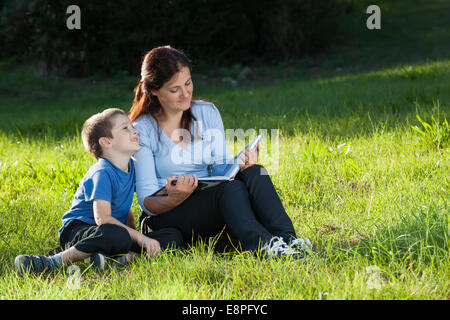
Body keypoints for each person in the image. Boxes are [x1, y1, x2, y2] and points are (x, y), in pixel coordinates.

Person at [130, 46, 312, 259]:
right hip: (168, 212)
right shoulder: (141, 130)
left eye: (188, 83)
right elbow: (147, 203)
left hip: (210, 200)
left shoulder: (205, 113)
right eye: (174, 89)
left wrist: (241, 162)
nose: (185, 93)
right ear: (153, 90)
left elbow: (221, 168)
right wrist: (173, 198)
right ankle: (264, 247)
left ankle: (289, 240)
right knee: (231, 190)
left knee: (255, 173)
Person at [15, 108, 184, 275]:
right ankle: (54, 261)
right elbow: (102, 219)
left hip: (111, 231)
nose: (135, 131)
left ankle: (117, 258)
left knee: (173, 235)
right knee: (118, 235)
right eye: (126, 128)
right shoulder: (102, 172)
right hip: (80, 230)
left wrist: (138, 235)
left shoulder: (132, 167)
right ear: (106, 142)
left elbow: (125, 209)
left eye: (132, 127)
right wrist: (139, 238)